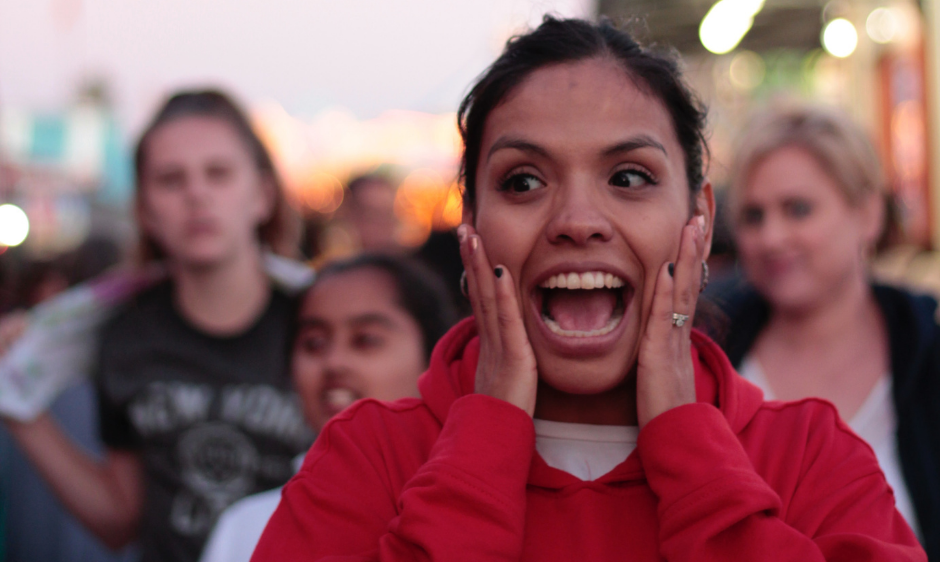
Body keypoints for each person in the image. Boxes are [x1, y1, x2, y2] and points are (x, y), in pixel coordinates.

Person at [252, 17, 924, 562]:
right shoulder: (368, 457)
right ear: (471, 224)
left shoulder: (809, 457)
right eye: (523, 181)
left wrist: (693, 456)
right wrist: (482, 449)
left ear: (700, 218)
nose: (577, 222)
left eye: (629, 177)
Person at [1, 90, 312, 562]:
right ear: (145, 209)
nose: (196, 193)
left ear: (263, 196)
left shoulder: (324, 321)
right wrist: (15, 398)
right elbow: (121, 520)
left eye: (219, 173)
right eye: (170, 179)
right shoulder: (123, 335)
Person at [720, 105, 939, 558]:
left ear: (868, 214)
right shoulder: (710, 351)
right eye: (754, 216)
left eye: (797, 209)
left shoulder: (928, 351)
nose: (772, 237)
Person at [198, 253, 458, 562]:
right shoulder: (245, 527)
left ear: (436, 357)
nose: (334, 363)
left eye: (366, 340)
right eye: (314, 343)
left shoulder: (468, 507)